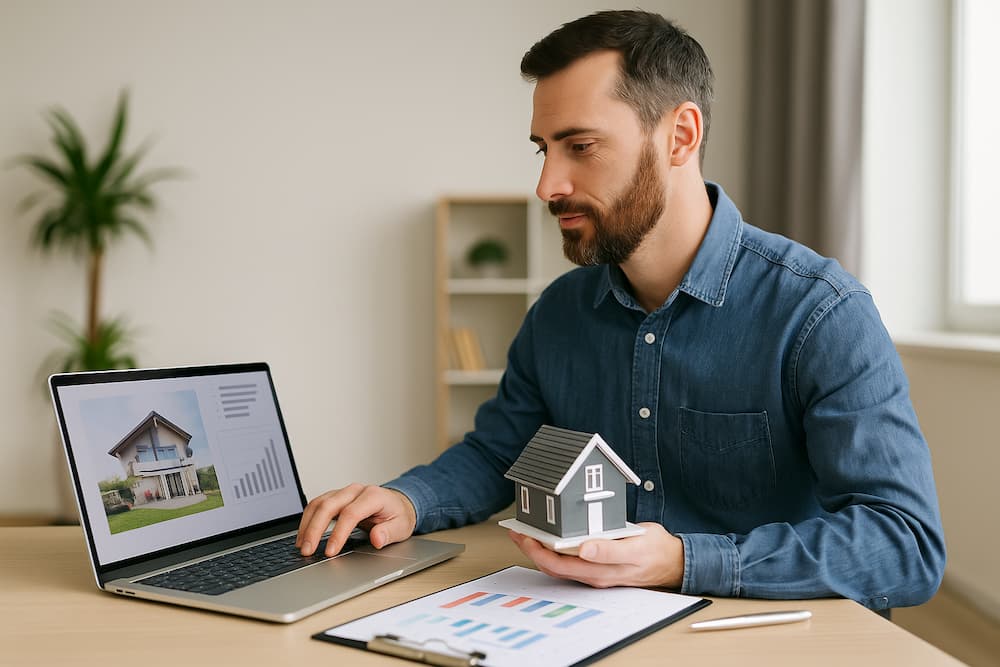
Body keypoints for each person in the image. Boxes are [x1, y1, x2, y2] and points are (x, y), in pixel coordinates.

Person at [297, 10, 945, 610]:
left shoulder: (819, 314)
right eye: (542, 148)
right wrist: (408, 500)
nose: (548, 184)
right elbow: (502, 453)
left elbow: (905, 543)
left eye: (580, 146)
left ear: (680, 135)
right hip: (592, 624)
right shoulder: (558, 314)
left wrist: (685, 560)